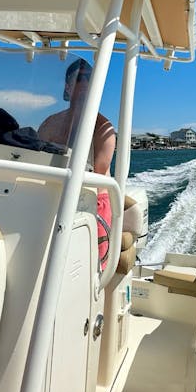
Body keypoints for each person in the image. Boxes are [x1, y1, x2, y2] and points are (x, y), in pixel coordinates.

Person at [38, 58, 116, 269]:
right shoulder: (49, 123)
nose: (85, 83)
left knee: (87, 267)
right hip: (54, 194)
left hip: (92, 201)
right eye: (80, 78)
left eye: (90, 78)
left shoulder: (103, 128)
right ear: (67, 86)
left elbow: (97, 177)